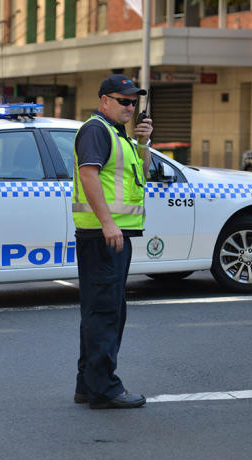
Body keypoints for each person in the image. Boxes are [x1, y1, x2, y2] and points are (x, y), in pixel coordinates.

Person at [72, 74, 153, 409]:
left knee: (103, 311)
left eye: (133, 102)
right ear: (105, 100)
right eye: (124, 101)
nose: (130, 107)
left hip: (113, 234)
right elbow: (88, 175)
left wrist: (143, 144)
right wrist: (107, 224)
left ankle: (87, 385)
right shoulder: (96, 130)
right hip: (104, 235)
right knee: (105, 313)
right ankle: (104, 390)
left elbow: (143, 175)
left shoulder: (119, 135)